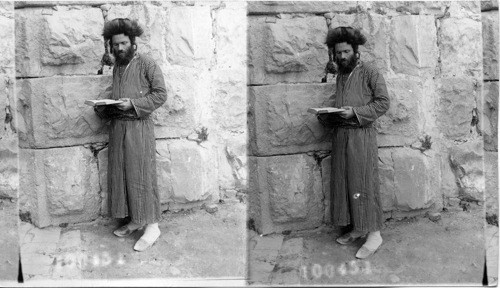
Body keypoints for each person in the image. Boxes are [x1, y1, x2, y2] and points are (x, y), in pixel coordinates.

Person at [94, 18, 167, 252]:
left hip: (139, 129)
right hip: (118, 129)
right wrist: (105, 105)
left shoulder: (147, 63)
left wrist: (134, 104)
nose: (120, 48)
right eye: (115, 45)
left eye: (124, 43)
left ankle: (153, 226)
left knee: (141, 174)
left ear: (133, 42)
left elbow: (160, 95)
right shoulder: (118, 66)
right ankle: (135, 220)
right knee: (123, 175)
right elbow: (117, 94)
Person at [317, 26, 390, 259]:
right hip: (341, 137)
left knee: (364, 182)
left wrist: (355, 113)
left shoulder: (370, 72)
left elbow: (383, 103)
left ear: (356, 50)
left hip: (361, 136)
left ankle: (375, 234)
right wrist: (329, 114)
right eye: (338, 53)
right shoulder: (341, 74)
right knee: (346, 183)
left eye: (346, 51)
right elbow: (341, 104)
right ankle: (358, 227)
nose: (342, 57)